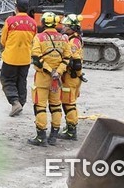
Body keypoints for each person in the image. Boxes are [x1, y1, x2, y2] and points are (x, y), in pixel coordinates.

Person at [28, 11, 71, 146]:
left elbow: (36, 59)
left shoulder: (39, 38)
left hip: (42, 78)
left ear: (43, 23)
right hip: (57, 80)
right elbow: (67, 58)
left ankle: (41, 137)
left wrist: (50, 70)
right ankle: (53, 136)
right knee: (56, 106)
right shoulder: (64, 39)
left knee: (40, 107)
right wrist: (57, 72)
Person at [0, 0, 37, 117]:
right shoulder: (33, 23)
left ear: (16, 8)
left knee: (7, 80)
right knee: (21, 81)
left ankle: (15, 102)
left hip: (11, 58)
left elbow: (3, 40)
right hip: (25, 59)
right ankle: (21, 102)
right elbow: (34, 41)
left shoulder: (10, 21)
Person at [58, 14, 84, 140]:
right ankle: (70, 126)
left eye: (66, 26)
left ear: (72, 27)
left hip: (71, 77)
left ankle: (71, 130)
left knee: (69, 103)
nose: (63, 27)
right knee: (68, 102)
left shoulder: (73, 42)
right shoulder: (73, 38)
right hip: (71, 77)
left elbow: (76, 62)